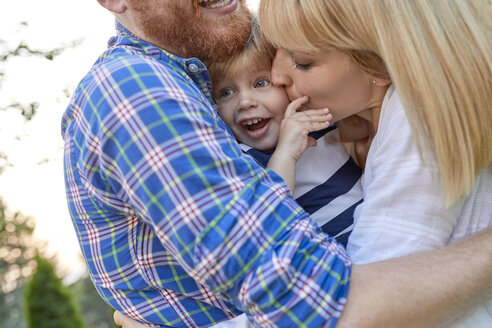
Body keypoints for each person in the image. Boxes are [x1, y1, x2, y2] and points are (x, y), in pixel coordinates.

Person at [62, 1, 492, 327]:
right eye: (225, 93)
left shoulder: (388, 122)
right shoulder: (139, 90)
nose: (281, 78)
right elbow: (322, 307)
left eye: (297, 62)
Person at [259, 0, 492, 326]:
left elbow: (368, 294)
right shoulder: (353, 127)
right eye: (275, 50)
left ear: (379, 67)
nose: (275, 75)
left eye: (302, 62)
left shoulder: (416, 120)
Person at [207, 17, 362, 247]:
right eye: (226, 92)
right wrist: (286, 153)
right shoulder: (244, 156)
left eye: (261, 83)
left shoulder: (316, 119)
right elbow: (273, 215)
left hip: (376, 231)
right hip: (335, 259)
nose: (245, 102)